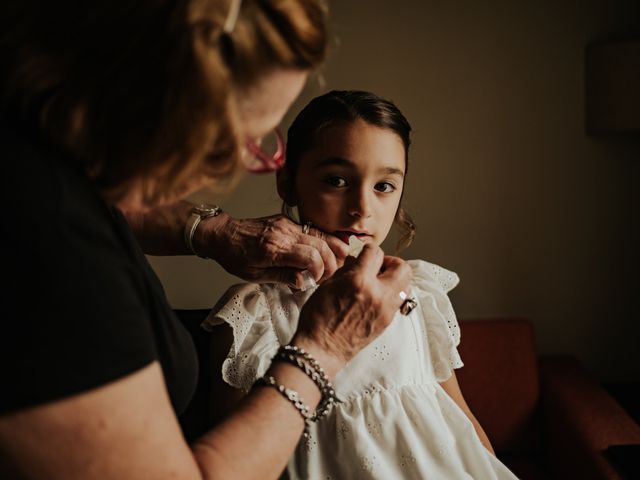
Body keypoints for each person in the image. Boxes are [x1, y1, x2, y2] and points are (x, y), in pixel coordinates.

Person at [0, 2, 413, 479]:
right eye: (225, 137)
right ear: (145, 91)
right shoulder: (41, 238)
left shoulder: (56, 167)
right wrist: (323, 348)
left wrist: (210, 231)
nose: (228, 169)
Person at [203, 90, 520, 479]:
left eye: (383, 186)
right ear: (288, 183)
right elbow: (232, 460)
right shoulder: (255, 314)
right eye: (336, 180)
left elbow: (461, 421)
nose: (362, 208)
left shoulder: (414, 292)